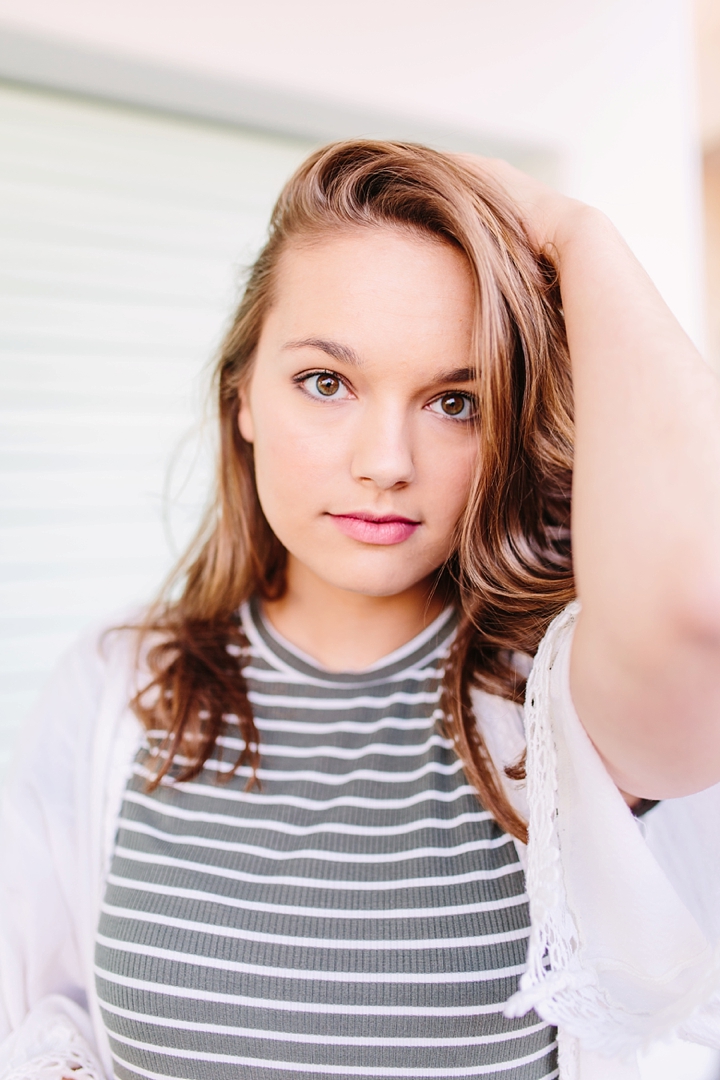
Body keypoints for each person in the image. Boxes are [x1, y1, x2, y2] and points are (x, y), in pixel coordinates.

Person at [1, 141, 720, 1080]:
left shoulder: (563, 711)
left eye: (455, 401)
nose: (386, 461)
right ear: (244, 393)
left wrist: (578, 235)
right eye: (326, 382)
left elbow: (698, 599)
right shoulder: (117, 687)